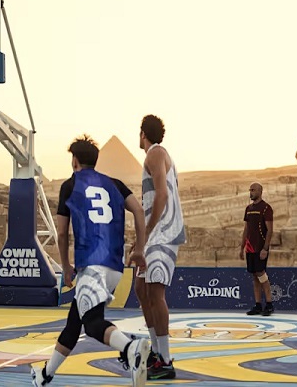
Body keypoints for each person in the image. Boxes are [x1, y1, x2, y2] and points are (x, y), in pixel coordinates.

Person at [31, 135, 150, 387]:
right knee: (74, 324)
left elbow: (61, 233)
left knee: (93, 324)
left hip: (92, 264)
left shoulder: (70, 186)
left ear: (74, 161)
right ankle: (46, 375)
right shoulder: (115, 184)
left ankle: (130, 348)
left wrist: (66, 266)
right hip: (114, 266)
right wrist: (140, 249)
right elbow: (139, 211)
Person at [134, 114, 186, 381]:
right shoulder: (159, 155)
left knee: (155, 293)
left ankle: (165, 359)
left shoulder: (155, 153)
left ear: (143, 133)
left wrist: (146, 233)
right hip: (156, 234)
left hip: (161, 234)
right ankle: (156, 352)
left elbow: (163, 195)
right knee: (141, 289)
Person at [240, 182, 275, 316]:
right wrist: (242, 247)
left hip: (260, 248)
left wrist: (265, 248)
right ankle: (258, 304)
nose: (251, 192)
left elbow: (270, 230)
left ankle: (269, 304)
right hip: (250, 248)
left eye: (253, 190)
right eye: (250, 190)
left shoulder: (266, 208)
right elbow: (246, 229)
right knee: (254, 275)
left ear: (260, 191)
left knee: (261, 274)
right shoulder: (248, 209)